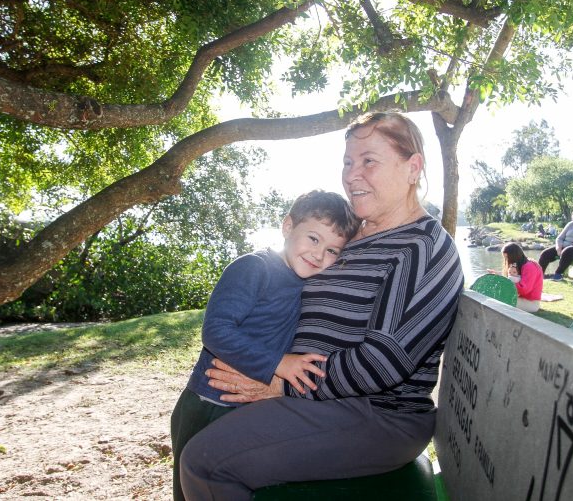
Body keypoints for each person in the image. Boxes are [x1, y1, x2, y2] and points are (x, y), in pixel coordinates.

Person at [179, 111, 464, 500]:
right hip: (317, 395)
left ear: (412, 168)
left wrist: (284, 384)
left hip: (377, 413)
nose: (351, 175)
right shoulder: (351, 236)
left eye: (368, 161)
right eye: (348, 162)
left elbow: (383, 362)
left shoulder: (423, 247)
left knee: (205, 462)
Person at [170, 190, 360, 501]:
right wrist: (278, 363)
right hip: (209, 403)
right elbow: (216, 331)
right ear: (288, 226)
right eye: (313, 238)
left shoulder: (307, 281)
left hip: (250, 405)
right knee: (194, 488)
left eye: (331, 250)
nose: (318, 254)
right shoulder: (254, 268)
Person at [538, 204, 573, 281]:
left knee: (567, 251)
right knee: (545, 254)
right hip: (564, 247)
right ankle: (539, 275)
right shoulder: (571, 224)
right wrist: (558, 248)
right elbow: (559, 238)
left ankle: (558, 274)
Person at [488, 242, 543, 312]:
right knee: (494, 297)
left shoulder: (529, 266)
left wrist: (504, 281)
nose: (506, 260)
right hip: (522, 299)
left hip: (531, 303)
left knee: (496, 300)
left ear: (513, 256)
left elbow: (524, 289)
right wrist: (498, 275)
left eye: (507, 257)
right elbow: (512, 279)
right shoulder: (522, 264)